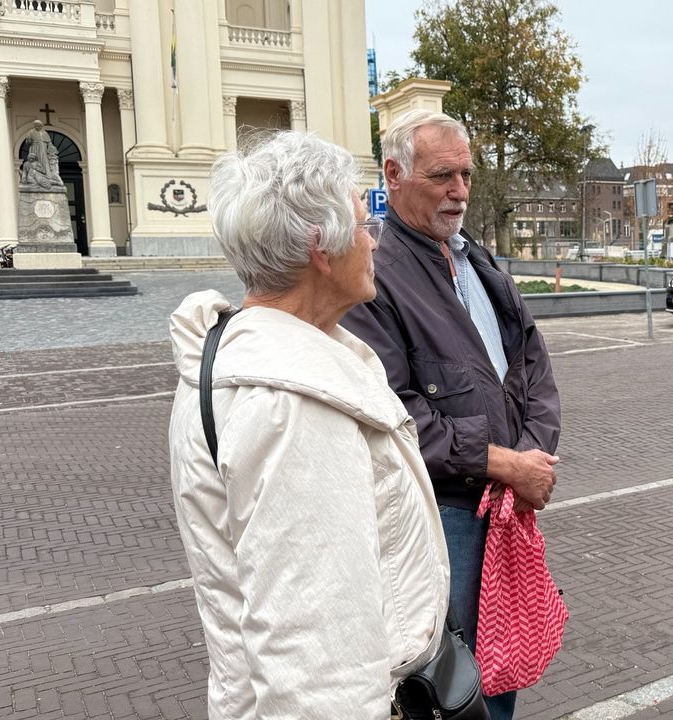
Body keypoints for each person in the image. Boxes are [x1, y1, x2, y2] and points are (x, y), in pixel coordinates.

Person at [167, 130, 450, 719]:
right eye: (362, 222)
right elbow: (319, 659)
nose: (374, 240)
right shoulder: (294, 404)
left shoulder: (230, 360)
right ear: (322, 246)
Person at [341, 109, 561, 720]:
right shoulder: (375, 279)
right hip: (446, 514)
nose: (459, 190)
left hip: (505, 504)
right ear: (395, 174)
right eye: (442, 175)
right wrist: (505, 463)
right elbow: (396, 415)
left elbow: (532, 363)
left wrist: (533, 454)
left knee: (500, 660)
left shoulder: (479, 263)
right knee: (447, 684)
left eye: (465, 173)